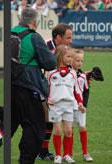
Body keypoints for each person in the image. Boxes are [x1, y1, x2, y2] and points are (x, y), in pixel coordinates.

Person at [11, 7, 57, 164]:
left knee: (6, 127)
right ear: (35, 22)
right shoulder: (34, 37)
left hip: (9, 87)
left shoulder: (9, 33)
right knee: (34, 130)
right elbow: (50, 63)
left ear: (20, 19)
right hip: (29, 89)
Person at [39, 23, 72, 161]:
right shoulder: (45, 48)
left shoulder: (64, 49)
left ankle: (44, 151)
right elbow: (40, 70)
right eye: (68, 38)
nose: (70, 41)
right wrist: (43, 94)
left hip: (56, 90)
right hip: (42, 89)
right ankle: (41, 151)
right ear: (58, 37)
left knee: (50, 121)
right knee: (44, 120)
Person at [46, 45, 84, 163]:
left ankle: (66, 154)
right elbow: (46, 88)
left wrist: (80, 103)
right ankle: (58, 155)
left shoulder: (72, 73)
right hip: (55, 105)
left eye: (72, 57)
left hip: (69, 105)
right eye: (68, 56)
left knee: (68, 131)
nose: (70, 59)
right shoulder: (51, 73)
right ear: (60, 56)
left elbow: (76, 90)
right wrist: (48, 98)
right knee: (57, 130)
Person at [71, 49, 94, 162]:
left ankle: (85, 153)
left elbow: (86, 91)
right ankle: (69, 154)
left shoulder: (83, 76)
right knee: (69, 130)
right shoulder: (67, 74)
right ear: (71, 60)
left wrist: (84, 105)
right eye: (77, 60)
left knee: (82, 128)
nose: (80, 63)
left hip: (80, 107)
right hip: (69, 106)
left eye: (81, 61)